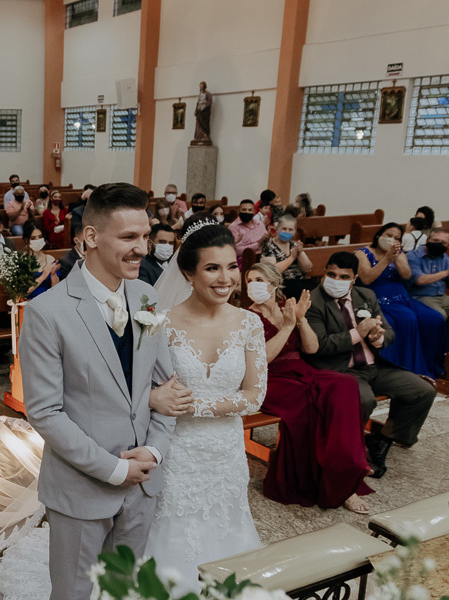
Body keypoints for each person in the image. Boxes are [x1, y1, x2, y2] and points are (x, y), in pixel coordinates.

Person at [19, 183, 181, 600]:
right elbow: (45, 412)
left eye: (145, 236)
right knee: (74, 593)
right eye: (129, 237)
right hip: (83, 487)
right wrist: (113, 469)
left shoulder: (146, 296)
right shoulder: (46, 312)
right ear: (90, 237)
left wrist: (155, 450)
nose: (143, 249)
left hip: (143, 481)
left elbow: (166, 385)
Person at [146, 213, 264, 592]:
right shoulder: (159, 323)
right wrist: (154, 398)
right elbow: (136, 390)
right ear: (188, 274)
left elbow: (255, 396)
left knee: (227, 526)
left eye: (232, 267)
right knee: (173, 528)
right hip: (176, 450)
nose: (226, 278)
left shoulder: (249, 323)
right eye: (212, 268)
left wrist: (192, 404)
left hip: (226, 452)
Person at [246, 263, 372, 514]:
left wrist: (301, 320)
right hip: (270, 378)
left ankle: (346, 471)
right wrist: (287, 326)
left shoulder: (287, 307)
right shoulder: (246, 316)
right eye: (249, 280)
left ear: (274, 283)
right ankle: (321, 481)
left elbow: (312, 348)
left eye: (259, 279)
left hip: (300, 369)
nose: (253, 285)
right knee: (309, 406)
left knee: (346, 384)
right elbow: (262, 359)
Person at [304, 251, 436, 478]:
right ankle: (353, 450)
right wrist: (358, 333)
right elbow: (321, 345)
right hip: (342, 370)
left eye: (344, 277)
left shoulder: (366, 296)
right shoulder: (313, 302)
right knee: (364, 400)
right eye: (331, 274)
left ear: (354, 278)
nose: (336, 280)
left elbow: (389, 331)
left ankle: (383, 439)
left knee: (422, 391)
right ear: (324, 273)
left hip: (375, 366)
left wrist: (379, 338)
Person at [356, 223, 447, 379]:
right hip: (376, 298)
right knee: (407, 318)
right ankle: (402, 369)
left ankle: (432, 364)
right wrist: (386, 259)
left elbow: (406, 275)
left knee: (434, 318)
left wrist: (397, 256)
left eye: (397, 238)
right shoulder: (362, 253)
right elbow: (366, 278)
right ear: (379, 235)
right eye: (389, 235)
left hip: (402, 297)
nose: (392, 239)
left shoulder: (399, 253)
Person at [260, 213, 315, 299]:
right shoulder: (269, 245)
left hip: (299, 280)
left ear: (294, 231)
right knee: (301, 291)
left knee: (316, 288)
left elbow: (307, 268)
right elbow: (272, 271)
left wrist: (300, 253)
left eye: (290, 230)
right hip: (282, 282)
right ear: (277, 228)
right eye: (284, 229)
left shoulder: (294, 244)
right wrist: (291, 257)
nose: (287, 232)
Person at [407, 228, 449, 320]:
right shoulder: (413, 256)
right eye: (435, 240)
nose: (439, 244)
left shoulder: (444, 257)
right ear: (427, 240)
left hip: (442, 297)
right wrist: (445, 273)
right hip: (421, 297)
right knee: (439, 316)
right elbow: (420, 280)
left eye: (443, 243)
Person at [21, 222, 59, 299]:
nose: (37, 240)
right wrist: (43, 276)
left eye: (40, 237)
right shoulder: (22, 260)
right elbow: (23, 293)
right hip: (30, 302)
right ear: (26, 240)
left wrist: (53, 274)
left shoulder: (49, 259)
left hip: (49, 300)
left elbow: (56, 290)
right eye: (33, 238)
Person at [229, 199, 266, 265]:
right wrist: (258, 244)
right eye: (244, 210)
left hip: (262, 258)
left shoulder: (259, 223)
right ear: (238, 211)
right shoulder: (233, 227)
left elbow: (265, 242)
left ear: (254, 212)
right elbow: (237, 250)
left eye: (250, 210)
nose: (247, 212)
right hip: (244, 261)